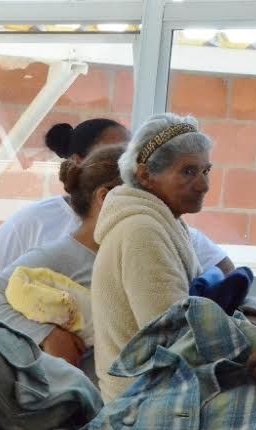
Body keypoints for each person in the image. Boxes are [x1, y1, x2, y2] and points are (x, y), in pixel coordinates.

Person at [0, 118, 231, 302]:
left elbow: (228, 275)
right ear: (81, 163)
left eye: (131, 153)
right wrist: (24, 345)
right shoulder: (41, 224)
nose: (127, 163)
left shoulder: (157, 225)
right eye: (116, 153)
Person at [0, 143, 125, 381]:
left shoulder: (130, 259)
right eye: (144, 203)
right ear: (105, 198)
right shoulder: (63, 254)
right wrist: (47, 334)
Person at [91, 113, 216, 401]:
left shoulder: (165, 221)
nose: (204, 185)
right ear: (146, 175)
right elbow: (176, 339)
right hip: (141, 407)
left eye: (205, 170)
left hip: (159, 391)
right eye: (188, 171)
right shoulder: (142, 231)